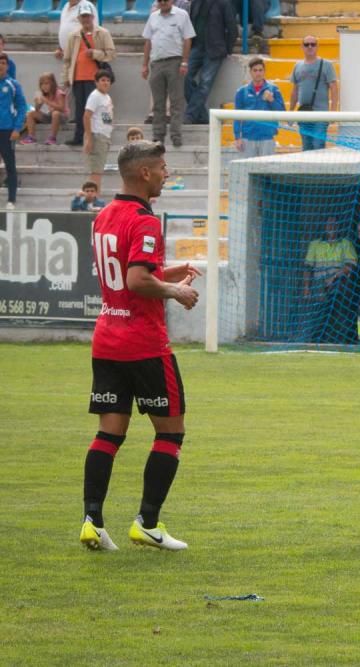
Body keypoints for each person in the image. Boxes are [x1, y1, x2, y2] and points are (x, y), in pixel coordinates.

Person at [79, 140, 200, 552]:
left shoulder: (104, 216)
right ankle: (147, 522)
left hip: (107, 338)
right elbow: (136, 281)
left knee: (109, 432)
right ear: (145, 173)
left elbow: (124, 275)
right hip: (145, 344)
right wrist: (175, 291)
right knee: (171, 431)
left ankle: (92, 521)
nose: (167, 174)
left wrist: (166, 272)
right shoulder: (145, 220)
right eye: (163, 168)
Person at [142, 0, 195, 147]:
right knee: (158, 103)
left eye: (165, 0)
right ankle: (158, 136)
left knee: (176, 102)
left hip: (175, 62)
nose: (163, 2)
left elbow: (187, 39)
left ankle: (176, 135)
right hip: (156, 63)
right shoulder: (153, 17)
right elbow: (148, 41)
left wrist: (184, 62)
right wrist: (144, 65)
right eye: (160, 0)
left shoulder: (182, 15)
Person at [62, 6, 116, 148]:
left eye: (88, 16)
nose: (85, 19)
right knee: (80, 110)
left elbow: (111, 53)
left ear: (92, 17)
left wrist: (95, 53)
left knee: (98, 109)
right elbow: (67, 59)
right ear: (79, 19)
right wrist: (66, 77)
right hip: (78, 77)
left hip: (96, 79)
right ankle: (79, 137)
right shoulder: (73, 35)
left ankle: (99, 137)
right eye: (83, 16)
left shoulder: (103, 33)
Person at [303, 216, 358, 344]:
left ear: (338, 227)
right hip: (319, 283)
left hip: (338, 282)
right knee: (319, 311)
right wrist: (306, 288)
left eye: (334, 224)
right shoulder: (315, 244)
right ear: (324, 227)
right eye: (329, 225)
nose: (331, 227)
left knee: (339, 309)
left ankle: (340, 339)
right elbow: (307, 267)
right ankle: (317, 339)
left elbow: (350, 266)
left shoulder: (345, 243)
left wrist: (333, 278)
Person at [184, 0, 236, 125]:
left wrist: (228, 49)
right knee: (184, 77)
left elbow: (232, 27)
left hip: (215, 49)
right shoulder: (195, 3)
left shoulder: (223, 3)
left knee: (205, 83)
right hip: (196, 47)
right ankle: (201, 116)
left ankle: (190, 115)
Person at [290, 35, 338, 151]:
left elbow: (334, 88)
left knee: (318, 145)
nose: (310, 47)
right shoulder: (297, 66)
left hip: (321, 114)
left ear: (317, 46)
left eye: (313, 44)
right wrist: (291, 112)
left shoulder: (326, 65)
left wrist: (333, 111)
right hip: (303, 114)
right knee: (306, 146)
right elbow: (295, 90)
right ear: (302, 47)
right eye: (307, 44)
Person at [233, 58, 286, 158]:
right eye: (255, 70)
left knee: (266, 171)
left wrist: (272, 100)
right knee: (247, 170)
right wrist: (237, 137)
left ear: (264, 71)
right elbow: (237, 117)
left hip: (267, 137)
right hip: (247, 137)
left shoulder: (274, 89)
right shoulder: (241, 91)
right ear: (250, 72)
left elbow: (282, 112)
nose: (258, 73)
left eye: (260, 70)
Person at [0, 55, 27, 211]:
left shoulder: (13, 84)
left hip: (7, 130)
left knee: (10, 165)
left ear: (7, 66)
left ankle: (11, 200)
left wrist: (17, 128)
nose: (1, 66)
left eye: (3, 63)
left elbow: (22, 107)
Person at [83, 70, 114, 192]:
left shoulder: (106, 97)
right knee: (95, 172)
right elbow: (86, 116)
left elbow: (106, 116)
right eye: (102, 80)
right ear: (96, 82)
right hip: (96, 136)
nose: (105, 83)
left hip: (104, 136)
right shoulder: (95, 96)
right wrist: (89, 139)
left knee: (98, 170)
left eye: (108, 80)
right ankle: (93, 199)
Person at [22, 73, 68, 146]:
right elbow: (37, 109)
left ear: (52, 83)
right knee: (30, 113)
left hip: (61, 117)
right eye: (42, 84)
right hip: (50, 116)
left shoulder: (59, 93)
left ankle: (52, 138)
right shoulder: (44, 94)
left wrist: (47, 101)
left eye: (47, 84)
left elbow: (61, 108)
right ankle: (31, 137)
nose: (44, 86)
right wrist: (37, 103)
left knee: (55, 113)